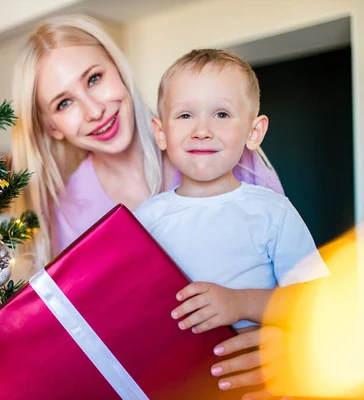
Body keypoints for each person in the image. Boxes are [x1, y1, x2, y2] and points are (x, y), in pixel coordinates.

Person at [10, 15, 287, 398]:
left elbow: (305, 289)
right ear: (53, 126)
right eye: (64, 103)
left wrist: (286, 347)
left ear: (118, 68)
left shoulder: (218, 150)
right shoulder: (68, 215)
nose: (93, 110)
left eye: (94, 79)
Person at [133, 49, 330, 334]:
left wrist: (241, 303)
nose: (202, 130)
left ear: (253, 133)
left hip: (250, 375)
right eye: (185, 114)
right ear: (161, 133)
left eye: (221, 114)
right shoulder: (146, 219)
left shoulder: (273, 212)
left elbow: (317, 302)